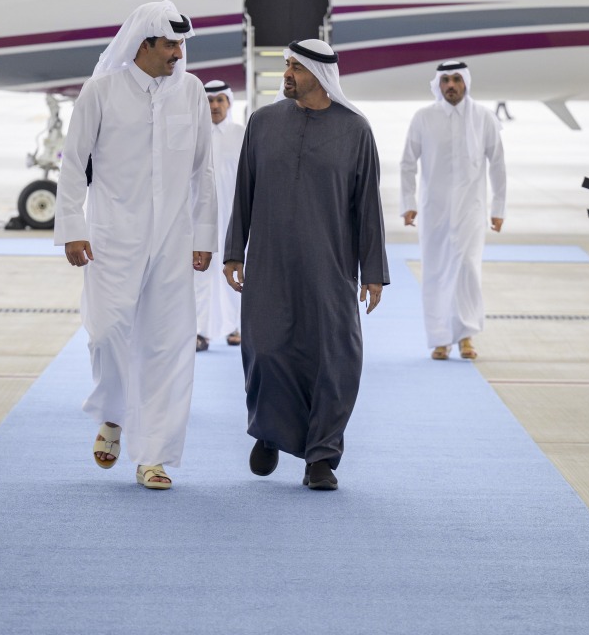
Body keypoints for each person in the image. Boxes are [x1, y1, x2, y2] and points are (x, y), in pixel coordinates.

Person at [54, 0, 216, 491]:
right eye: (170, 44)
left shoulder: (191, 91)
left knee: (168, 346)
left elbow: (203, 170)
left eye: (181, 44)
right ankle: (114, 411)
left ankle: (154, 457)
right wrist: (72, 226)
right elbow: (72, 161)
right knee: (106, 334)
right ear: (144, 44)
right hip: (111, 238)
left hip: (172, 241)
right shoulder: (101, 91)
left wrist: (205, 235)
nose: (178, 53)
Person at [224, 38, 388, 491]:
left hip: (329, 266)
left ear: (320, 75)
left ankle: (321, 457)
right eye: (287, 65)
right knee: (266, 351)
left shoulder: (355, 130)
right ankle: (269, 432)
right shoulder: (262, 122)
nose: (287, 74)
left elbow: (368, 206)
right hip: (269, 262)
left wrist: (373, 271)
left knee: (333, 359)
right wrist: (235, 250)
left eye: (296, 67)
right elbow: (243, 191)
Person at [400, 60, 505, 361]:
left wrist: (498, 207)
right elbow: (407, 163)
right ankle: (440, 339)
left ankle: (466, 335)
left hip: (471, 211)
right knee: (436, 272)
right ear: (438, 84)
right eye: (445, 80)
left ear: (466, 83)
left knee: (467, 270)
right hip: (434, 211)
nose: (451, 85)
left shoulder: (484, 118)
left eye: (456, 79)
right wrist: (408, 203)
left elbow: (497, 164)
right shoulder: (424, 118)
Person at [194, 79, 244, 352]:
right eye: (209, 101)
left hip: (233, 216)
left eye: (219, 100)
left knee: (233, 269)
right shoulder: (194, 134)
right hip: (200, 217)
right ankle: (200, 331)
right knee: (200, 274)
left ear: (228, 103)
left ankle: (235, 326)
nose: (214, 106)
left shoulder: (241, 134)